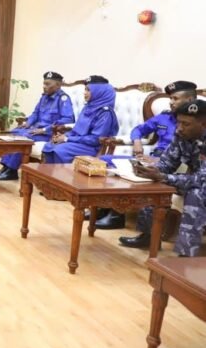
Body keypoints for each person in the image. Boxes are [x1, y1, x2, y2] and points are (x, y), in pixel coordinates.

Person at [95, 80, 198, 229]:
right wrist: (137, 142)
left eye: (175, 98)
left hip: (175, 166)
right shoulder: (164, 117)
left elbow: (189, 159)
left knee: (137, 173)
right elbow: (138, 129)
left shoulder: (196, 124)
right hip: (158, 160)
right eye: (170, 98)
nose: (171, 102)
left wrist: (157, 162)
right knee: (107, 161)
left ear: (189, 100)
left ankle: (116, 216)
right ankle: (104, 208)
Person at [128, 100, 206, 256]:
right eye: (178, 122)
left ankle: (186, 254)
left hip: (201, 183)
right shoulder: (181, 135)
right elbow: (167, 163)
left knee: (196, 193)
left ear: (203, 124)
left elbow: (201, 180)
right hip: (194, 180)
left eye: (186, 124)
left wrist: (163, 176)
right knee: (153, 185)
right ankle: (149, 237)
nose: (179, 128)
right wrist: (151, 171)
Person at [0, 71, 75, 181]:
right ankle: (6, 167)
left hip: (48, 133)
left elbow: (68, 119)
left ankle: (12, 170)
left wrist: (44, 129)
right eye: (44, 84)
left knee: (23, 138)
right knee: (14, 132)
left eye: (48, 84)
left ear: (57, 85)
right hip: (36, 130)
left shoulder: (63, 99)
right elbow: (35, 113)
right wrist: (28, 122)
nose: (44, 87)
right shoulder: (44, 97)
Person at [42, 75, 119, 163]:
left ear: (99, 92)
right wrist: (63, 136)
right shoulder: (88, 107)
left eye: (88, 90)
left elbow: (95, 140)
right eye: (85, 89)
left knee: (60, 150)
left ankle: (61, 172)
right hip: (79, 143)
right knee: (49, 145)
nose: (85, 93)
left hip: (91, 148)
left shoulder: (105, 113)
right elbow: (76, 130)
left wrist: (67, 139)